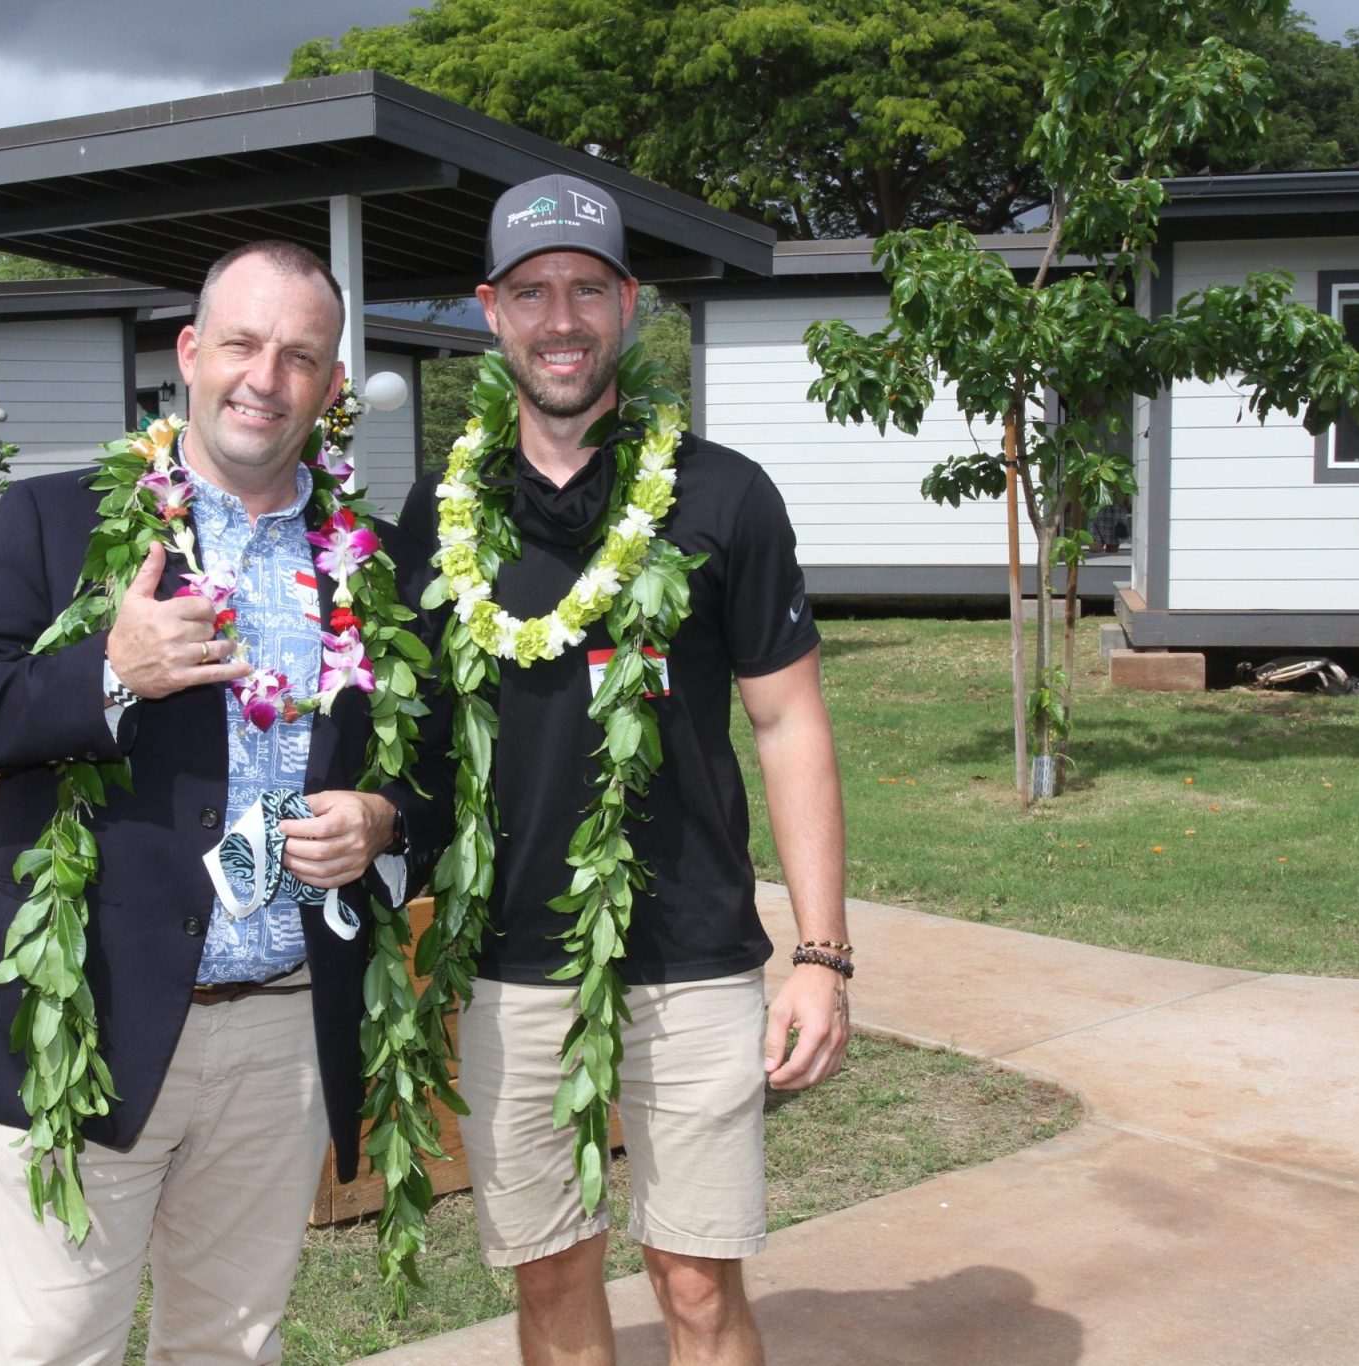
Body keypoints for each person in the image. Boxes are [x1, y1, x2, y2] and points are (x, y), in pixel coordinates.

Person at [0, 239, 445, 1365]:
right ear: (190, 354)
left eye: (300, 356)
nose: (266, 377)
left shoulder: (379, 565)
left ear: (331, 388)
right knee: (48, 1345)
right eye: (241, 343)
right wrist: (107, 670)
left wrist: (387, 824)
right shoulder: (57, 522)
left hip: (284, 1030)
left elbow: (438, 777)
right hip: (92, 1023)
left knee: (230, 1344)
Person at [399, 174, 852, 1366]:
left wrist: (820, 953)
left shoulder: (723, 496)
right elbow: (408, 739)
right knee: (549, 1284)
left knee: (695, 1286)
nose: (561, 318)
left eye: (587, 289)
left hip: (690, 957)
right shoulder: (437, 514)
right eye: (532, 291)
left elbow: (789, 723)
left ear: (629, 305)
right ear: (489, 311)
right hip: (509, 961)